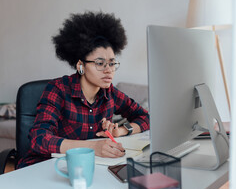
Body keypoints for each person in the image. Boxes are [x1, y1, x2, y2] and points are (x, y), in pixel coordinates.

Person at [17, 11, 149, 169]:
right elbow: (39, 139)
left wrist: (121, 131)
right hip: (45, 167)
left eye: (112, 63)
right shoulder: (58, 89)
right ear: (81, 66)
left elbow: (145, 117)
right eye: (100, 63)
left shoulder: (110, 93)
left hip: (84, 167)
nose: (109, 70)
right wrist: (94, 148)